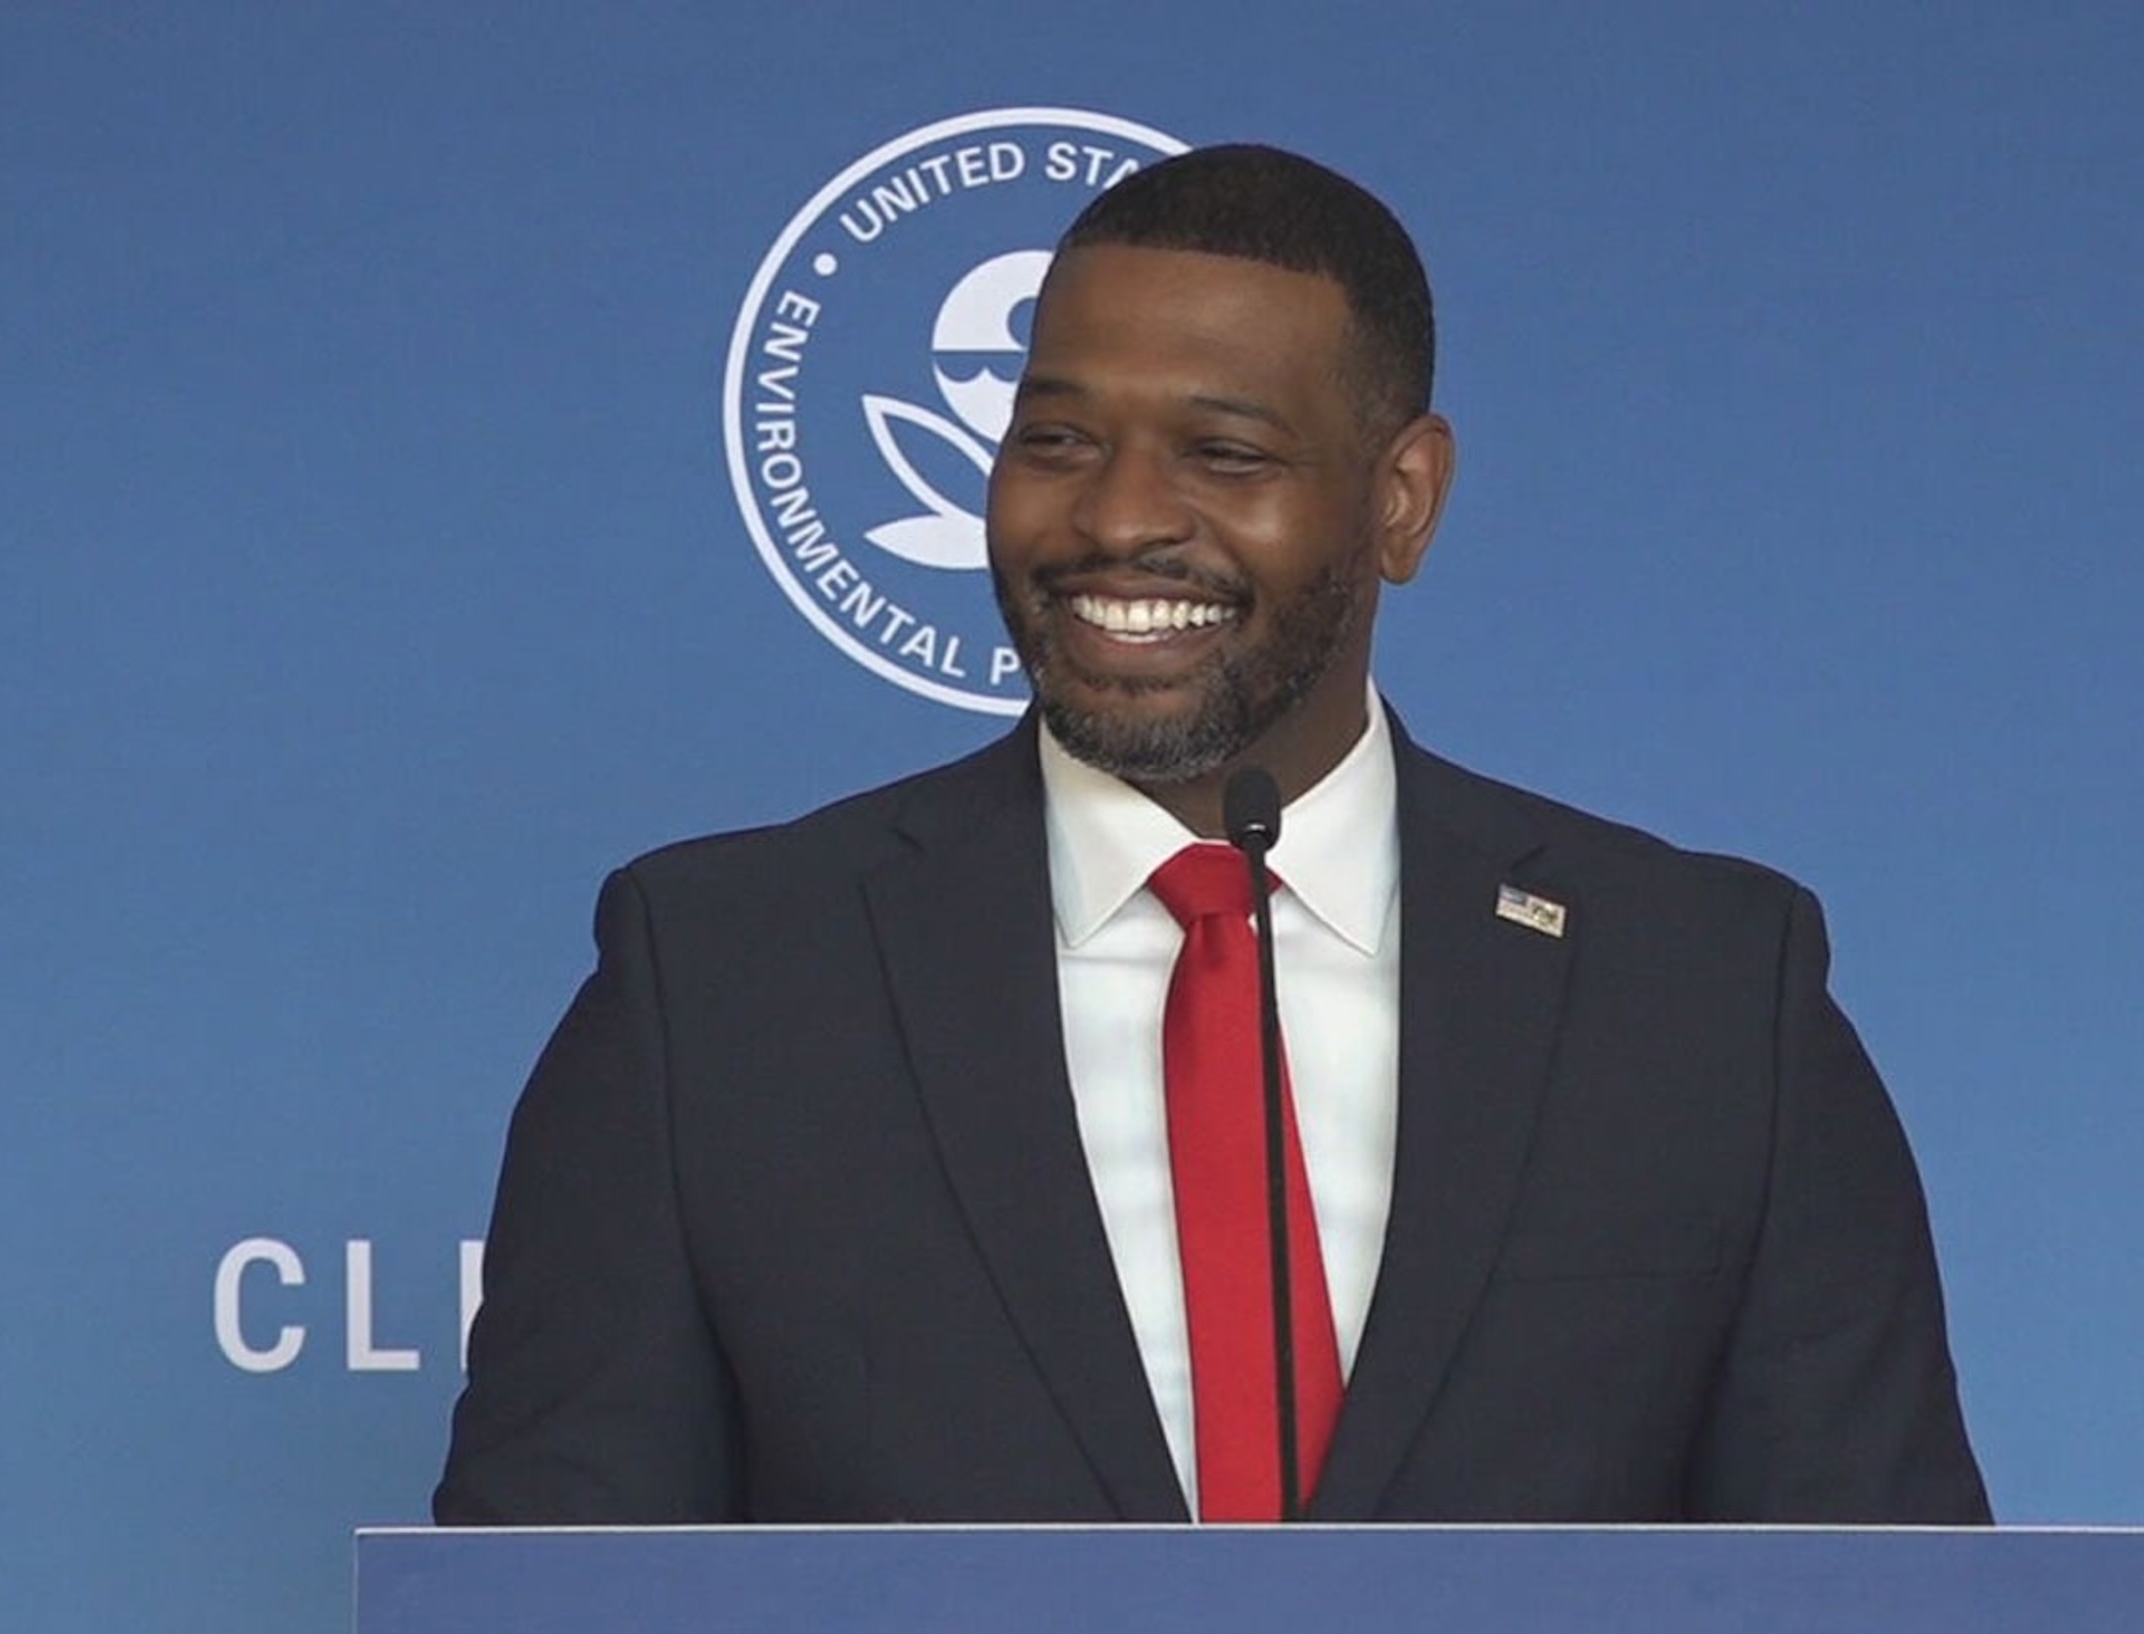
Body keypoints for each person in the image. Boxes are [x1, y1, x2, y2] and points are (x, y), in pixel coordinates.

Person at [434, 144, 1988, 1526]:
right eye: (1055, 441)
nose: (1116, 519)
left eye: (1223, 454)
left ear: (1402, 501)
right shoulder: (718, 985)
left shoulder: (1706, 995)